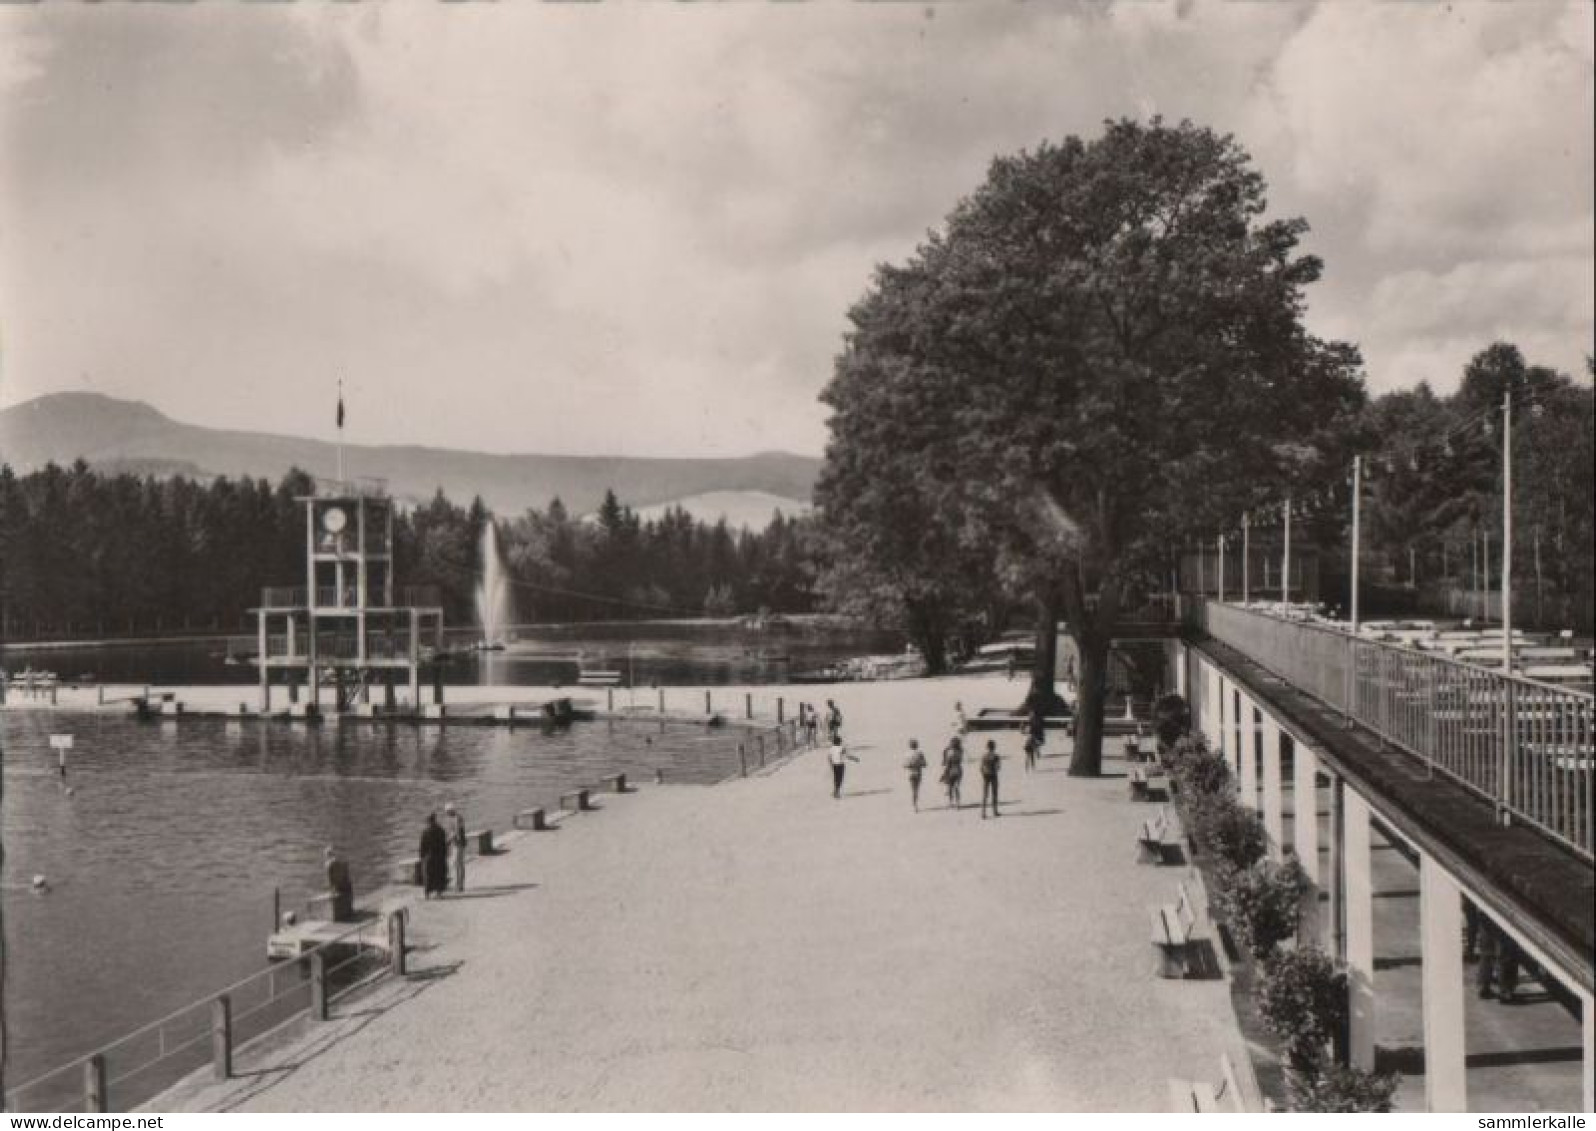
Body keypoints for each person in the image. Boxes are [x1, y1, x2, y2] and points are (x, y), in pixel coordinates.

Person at [419, 813, 449, 899]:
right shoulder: (440, 830)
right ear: (435, 820)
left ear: (428, 821)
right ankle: (439, 893)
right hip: (439, 856)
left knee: (428, 875)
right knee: (439, 874)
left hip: (428, 857)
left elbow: (422, 846)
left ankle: (427, 894)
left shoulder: (425, 832)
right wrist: (445, 855)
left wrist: (422, 857)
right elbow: (444, 844)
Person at [324, 846, 354, 921]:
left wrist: (332, 892)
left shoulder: (328, 865)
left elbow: (330, 880)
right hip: (347, 887)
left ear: (327, 855)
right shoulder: (343, 862)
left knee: (337, 889)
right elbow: (347, 876)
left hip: (338, 887)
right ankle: (349, 908)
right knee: (349, 885)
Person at [446, 802, 468, 893]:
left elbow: (456, 833)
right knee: (460, 864)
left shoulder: (456, 819)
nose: (446, 813)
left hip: (458, 844)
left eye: (447, 811)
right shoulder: (459, 817)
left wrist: (448, 841)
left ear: (451, 810)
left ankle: (458, 885)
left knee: (456, 864)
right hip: (460, 843)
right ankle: (460, 885)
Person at [979, 739, 1002, 819]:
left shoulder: (984, 756)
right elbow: (998, 767)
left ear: (987, 747)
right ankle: (995, 811)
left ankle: (983, 813)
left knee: (985, 794)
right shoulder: (996, 756)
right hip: (993, 775)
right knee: (994, 793)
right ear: (994, 747)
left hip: (985, 775)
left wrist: (984, 773)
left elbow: (981, 768)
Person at [941, 735, 964, 809]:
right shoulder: (960, 751)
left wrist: (944, 773)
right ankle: (958, 803)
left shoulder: (950, 753)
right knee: (957, 787)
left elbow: (947, 763)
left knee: (950, 787)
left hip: (951, 770)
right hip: (959, 769)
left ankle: (951, 802)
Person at [904, 739, 928, 812]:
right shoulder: (920, 753)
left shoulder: (907, 754)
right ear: (917, 745)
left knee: (913, 790)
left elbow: (905, 765)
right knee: (916, 790)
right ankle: (915, 805)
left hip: (911, 773)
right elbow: (924, 764)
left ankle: (914, 805)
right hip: (918, 772)